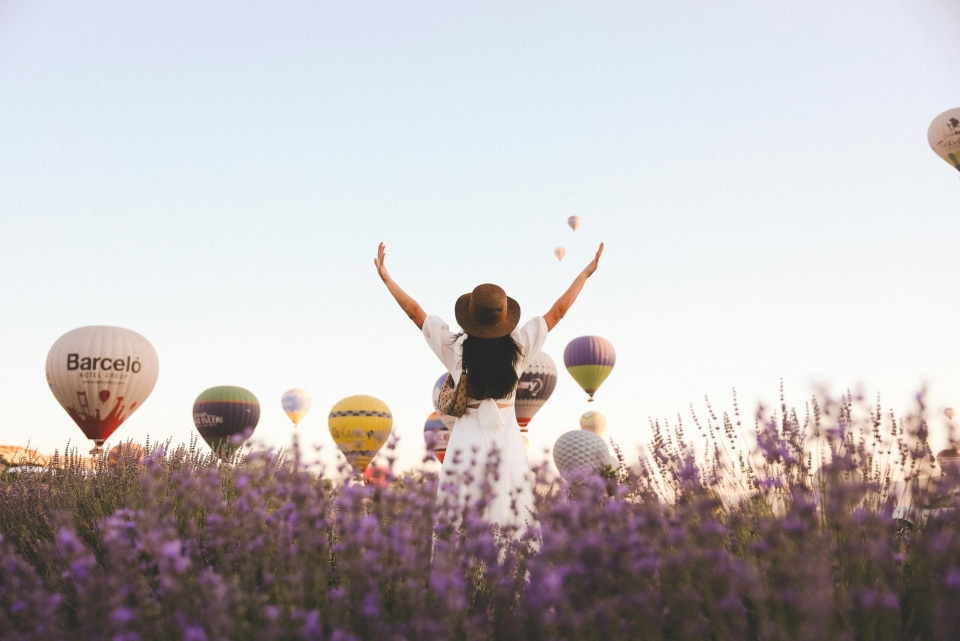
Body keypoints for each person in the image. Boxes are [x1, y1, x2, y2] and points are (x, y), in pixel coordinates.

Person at [373, 241, 604, 536]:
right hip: (506, 443)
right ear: (503, 317)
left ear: (471, 316)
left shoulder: (454, 348)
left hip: (464, 444)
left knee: (459, 517)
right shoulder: (519, 347)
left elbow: (415, 312)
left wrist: (386, 278)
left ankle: (461, 577)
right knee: (511, 511)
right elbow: (558, 311)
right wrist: (585, 273)